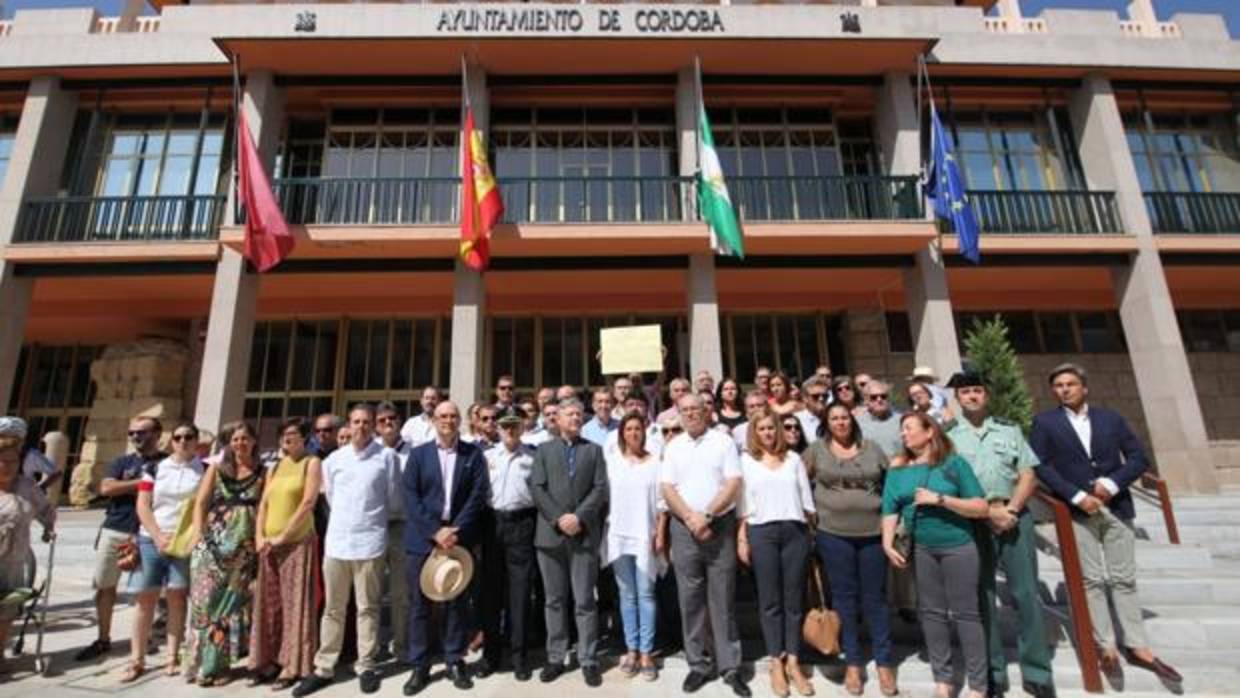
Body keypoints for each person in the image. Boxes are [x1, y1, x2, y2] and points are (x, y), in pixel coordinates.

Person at [1030, 363, 1180, 685]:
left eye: (1070, 384)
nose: (1064, 389)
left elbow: (1139, 458)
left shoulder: (1110, 419)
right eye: (1058, 385)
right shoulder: (1044, 423)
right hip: (1078, 511)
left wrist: (1110, 485)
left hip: (1117, 507)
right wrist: (1075, 496)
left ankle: (1138, 645)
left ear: (1084, 387)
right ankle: (1105, 645)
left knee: (1124, 578)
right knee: (1091, 581)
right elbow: (1040, 466)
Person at [945, 372, 1055, 698]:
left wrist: (1011, 510)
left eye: (978, 390)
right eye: (966, 392)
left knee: (1026, 595)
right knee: (982, 598)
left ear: (986, 395)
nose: (973, 396)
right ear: (958, 399)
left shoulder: (1009, 429)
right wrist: (988, 513)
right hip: (974, 521)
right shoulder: (949, 437)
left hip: (1014, 517)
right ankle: (993, 671)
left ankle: (1037, 672)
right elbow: (949, 480)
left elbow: (1028, 474)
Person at [881, 413, 989, 698]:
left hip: (959, 546)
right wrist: (887, 541)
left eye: (909, 428)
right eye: (901, 429)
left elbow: (981, 507)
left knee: (967, 614)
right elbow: (889, 508)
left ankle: (978, 685)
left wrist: (941, 499)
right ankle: (943, 681)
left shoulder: (954, 464)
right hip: (921, 549)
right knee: (931, 614)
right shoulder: (898, 469)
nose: (903, 434)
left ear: (930, 432)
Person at [294, 405, 399, 697]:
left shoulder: (387, 458)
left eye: (367, 422)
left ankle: (366, 664)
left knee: (368, 608)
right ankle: (324, 667)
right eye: (356, 422)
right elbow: (331, 498)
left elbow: (392, 498)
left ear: (374, 426)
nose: (361, 427)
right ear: (349, 426)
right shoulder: (334, 461)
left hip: (370, 542)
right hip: (338, 543)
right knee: (333, 609)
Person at [804, 403, 896, 696]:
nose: (840, 423)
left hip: (873, 534)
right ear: (826, 422)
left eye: (844, 418)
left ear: (852, 421)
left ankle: (883, 663)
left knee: (876, 599)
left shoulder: (872, 448)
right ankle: (854, 662)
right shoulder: (816, 450)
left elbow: (892, 481)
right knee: (844, 600)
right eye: (834, 418)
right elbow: (796, 480)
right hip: (834, 535)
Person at [660, 394, 749, 697]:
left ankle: (730, 667)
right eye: (684, 410)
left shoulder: (722, 442)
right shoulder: (673, 446)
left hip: (719, 527)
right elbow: (667, 488)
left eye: (694, 409)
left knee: (722, 599)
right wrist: (690, 517)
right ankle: (698, 664)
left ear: (705, 411)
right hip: (684, 529)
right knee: (691, 599)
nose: (690, 414)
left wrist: (707, 515)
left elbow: (734, 483)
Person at [401, 400, 489, 695]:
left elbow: (478, 494)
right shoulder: (418, 455)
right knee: (419, 605)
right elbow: (410, 497)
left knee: (456, 602)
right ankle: (419, 665)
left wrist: (454, 530)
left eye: (453, 416)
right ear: (434, 420)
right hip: (422, 539)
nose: (448, 421)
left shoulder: (472, 454)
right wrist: (434, 530)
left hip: (458, 537)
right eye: (443, 416)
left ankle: (454, 659)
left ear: (460, 421)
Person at [528, 399, 609, 687]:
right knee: (554, 600)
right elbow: (537, 488)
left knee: (585, 600)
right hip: (550, 537)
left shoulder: (594, 451)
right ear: (557, 419)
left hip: (584, 536)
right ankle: (556, 656)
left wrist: (579, 517)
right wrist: (559, 518)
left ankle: (588, 658)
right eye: (569, 414)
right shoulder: (543, 451)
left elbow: (601, 488)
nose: (575, 417)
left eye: (579, 413)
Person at [737, 411, 815, 698]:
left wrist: (810, 532)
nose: (768, 433)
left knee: (794, 601)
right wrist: (742, 539)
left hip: (794, 531)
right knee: (770, 602)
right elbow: (743, 506)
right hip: (762, 532)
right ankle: (775, 662)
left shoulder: (793, 459)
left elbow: (807, 500)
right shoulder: (746, 461)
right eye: (762, 429)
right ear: (754, 433)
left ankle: (793, 661)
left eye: (772, 428)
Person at [121, 422, 204, 682]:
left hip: (184, 541)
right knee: (146, 599)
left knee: (177, 598)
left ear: (196, 440)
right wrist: (157, 535)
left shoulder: (204, 469)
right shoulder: (154, 468)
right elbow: (143, 505)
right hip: (152, 538)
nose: (182, 441)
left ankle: (172, 656)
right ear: (171, 442)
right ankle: (136, 659)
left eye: (188, 437)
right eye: (177, 437)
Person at [77, 416, 165, 662]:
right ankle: (103, 638)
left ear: (157, 433)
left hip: (147, 532)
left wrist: (125, 486)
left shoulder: (167, 462)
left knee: (145, 591)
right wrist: (144, 482)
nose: (136, 437)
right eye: (132, 433)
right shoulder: (122, 462)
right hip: (115, 528)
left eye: (142, 432)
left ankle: (142, 638)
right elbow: (106, 488)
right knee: (105, 585)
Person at [186, 420, 264, 686]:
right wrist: (198, 534)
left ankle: (220, 666)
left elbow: (263, 507)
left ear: (254, 441)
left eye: (245, 438)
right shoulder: (217, 469)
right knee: (204, 606)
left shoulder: (263, 471)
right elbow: (201, 502)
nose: (240, 443)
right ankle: (201, 665)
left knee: (229, 609)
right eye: (235, 439)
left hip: (243, 549)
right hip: (211, 544)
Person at [250, 418, 322, 690]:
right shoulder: (275, 467)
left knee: (294, 606)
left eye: (292, 434)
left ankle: (292, 665)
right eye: (283, 434)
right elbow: (264, 503)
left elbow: (308, 502)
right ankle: (268, 660)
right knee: (269, 605)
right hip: (268, 545)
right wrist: (260, 536)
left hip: (296, 544)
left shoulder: (311, 463)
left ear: (304, 438)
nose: (287, 438)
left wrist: (284, 536)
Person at [605, 413, 666, 682]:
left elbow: (663, 503)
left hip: (645, 535)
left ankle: (646, 653)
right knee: (627, 595)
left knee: (646, 594)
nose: (633, 433)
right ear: (622, 434)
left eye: (637, 428)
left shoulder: (656, 463)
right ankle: (631, 649)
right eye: (628, 429)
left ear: (644, 432)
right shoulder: (612, 462)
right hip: (618, 535)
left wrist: (660, 532)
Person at [478, 407, 537, 681]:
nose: (510, 430)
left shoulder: (533, 457)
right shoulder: (487, 457)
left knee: (520, 593)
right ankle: (490, 655)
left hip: (522, 524)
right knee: (491, 593)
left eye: (515, 425)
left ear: (522, 427)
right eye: (505, 425)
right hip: (493, 525)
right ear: (498, 429)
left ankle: (519, 656)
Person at [0, 434, 55, 675]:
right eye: (2, 461)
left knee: (7, 607)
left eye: (12, 461)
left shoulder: (27, 486)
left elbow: (45, 510)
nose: (7, 466)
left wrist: (49, 527)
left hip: (14, 557)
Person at [374, 402, 412, 660]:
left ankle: (402, 646)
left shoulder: (414, 451)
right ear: (377, 425)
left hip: (403, 527)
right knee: (372, 593)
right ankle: (373, 647)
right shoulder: (370, 452)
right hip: (374, 528)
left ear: (400, 421)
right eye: (383, 420)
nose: (388, 423)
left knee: (401, 592)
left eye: (392, 418)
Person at [857, 380, 903, 459]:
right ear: (866, 401)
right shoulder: (857, 423)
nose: (879, 399)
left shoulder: (902, 420)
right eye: (873, 397)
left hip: (899, 468)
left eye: (883, 396)